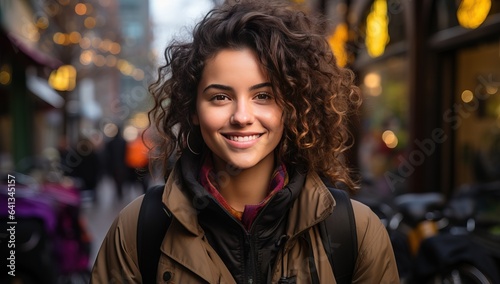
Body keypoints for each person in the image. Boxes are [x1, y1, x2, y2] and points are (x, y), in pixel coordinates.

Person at [91, 0, 399, 283]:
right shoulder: (140, 228)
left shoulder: (355, 231)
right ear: (193, 109)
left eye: (263, 96)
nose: (241, 116)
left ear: (290, 107)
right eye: (220, 96)